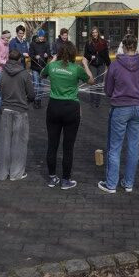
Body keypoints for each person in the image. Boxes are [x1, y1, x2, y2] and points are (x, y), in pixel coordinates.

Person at [98, 35, 139, 194]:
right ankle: (128, 183)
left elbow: (108, 90)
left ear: (124, 46)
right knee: (133, 146)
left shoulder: (115, 65)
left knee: (115, 147)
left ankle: (111, 184)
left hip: (120, 108)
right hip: (138, 108)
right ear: (136, 46)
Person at [41, 42, 94, 190]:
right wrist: (85, 64)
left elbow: (42, 75)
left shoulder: (52, 66)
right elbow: (91, 81)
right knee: (68, 147)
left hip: (54, 107)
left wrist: (52, 60)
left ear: (59, 53)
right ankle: (65, 180)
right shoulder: (76, 69)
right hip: (71, 108)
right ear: (73, 54)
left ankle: (52, 178)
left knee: (52, 144)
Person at [0, 49, 35, 180]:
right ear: (20, 59)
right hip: (20, 110)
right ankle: (16, 173)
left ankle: (3, 172)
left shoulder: (2, 72)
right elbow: (31, 94)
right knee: (19, 142)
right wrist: (26, 101)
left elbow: (1, 90)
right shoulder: (24, 74)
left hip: (6, 109)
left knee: (5, 142)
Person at [84, 27, 111, 107]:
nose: (94, 34)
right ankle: (92, 100)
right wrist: (90, 57)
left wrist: (109, 65)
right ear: (91, 34)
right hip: (93, 65)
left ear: (98, 33)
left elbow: (106, 55)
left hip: (101, 64)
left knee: (99, 83)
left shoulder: (103, 42)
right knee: (92, 82)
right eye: (93, 33)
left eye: (96, 32)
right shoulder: (88, 43)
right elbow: (86, 54)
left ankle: (97, 102)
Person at [29, 29, 51, 108]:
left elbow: (49, 52)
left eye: (43, 36)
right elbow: (30, 54)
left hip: (43, 67)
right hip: (35, 67)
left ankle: (39, 100)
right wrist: (35, 56)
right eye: (40, 36)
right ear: (37, 36)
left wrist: (47, 54)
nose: (41, 38)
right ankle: (35, 100)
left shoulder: (46, 43)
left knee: (42, 85)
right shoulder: (33, 43)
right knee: (36, 84)